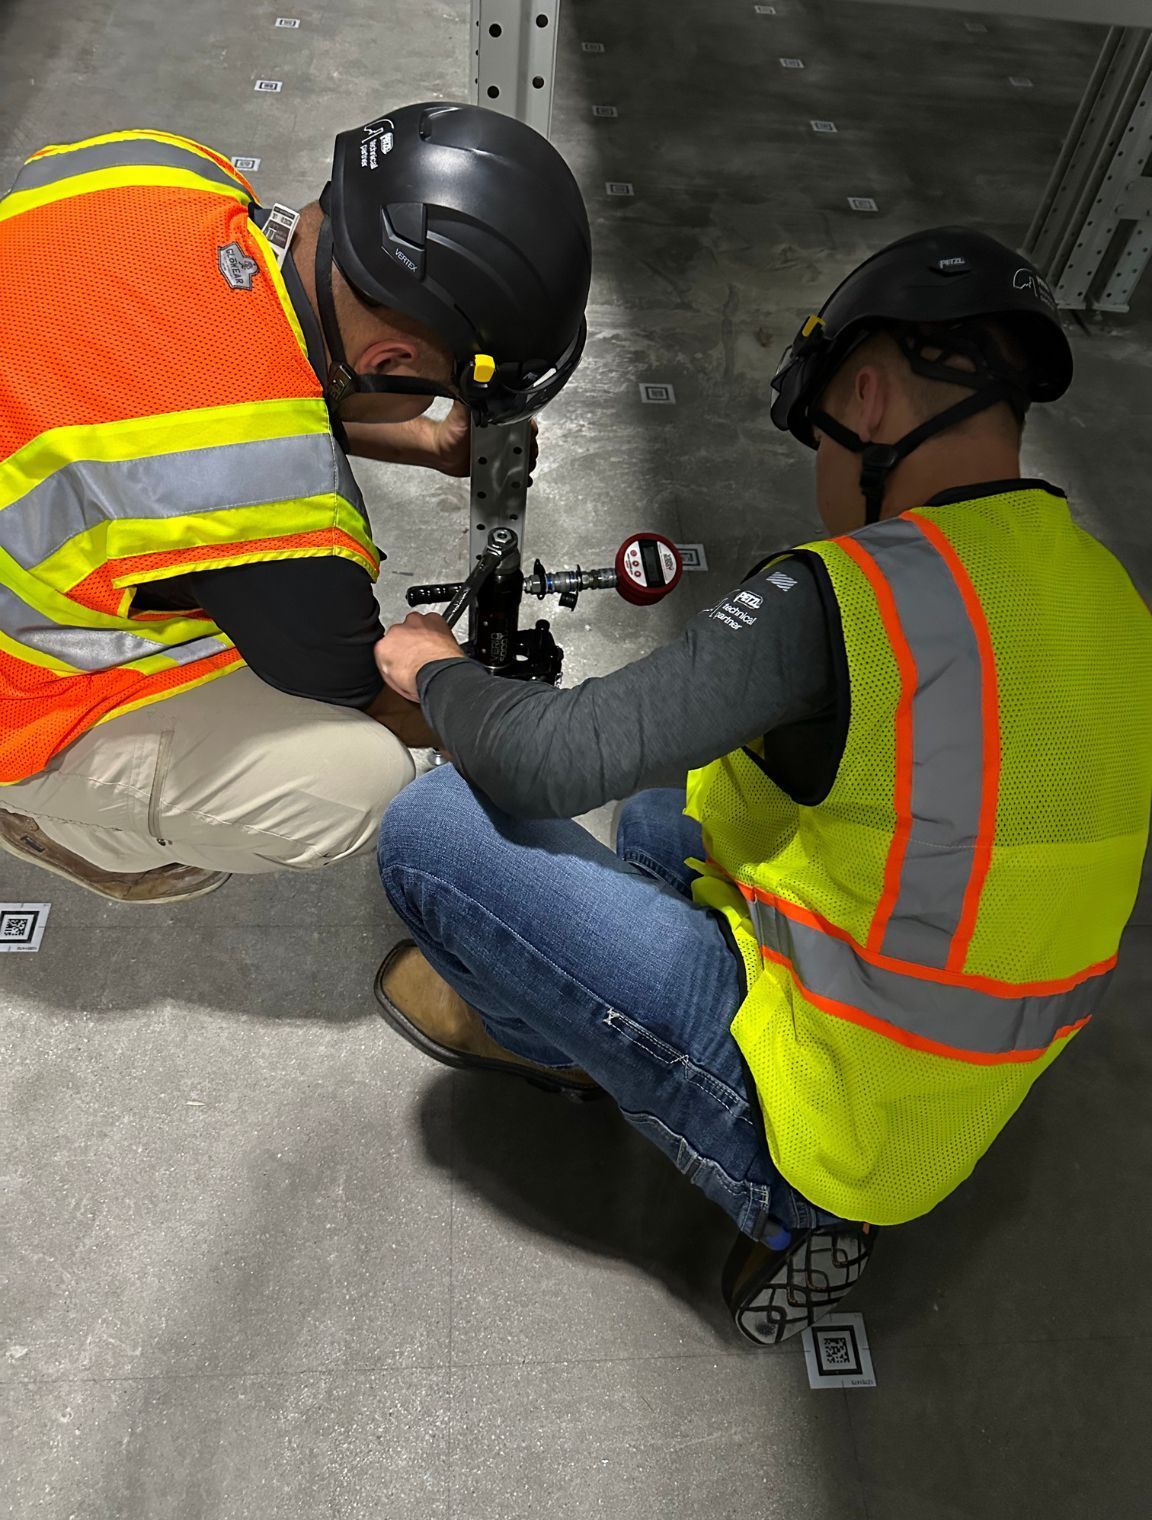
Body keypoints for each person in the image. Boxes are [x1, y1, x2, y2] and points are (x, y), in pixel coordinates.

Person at [372, 227, 1152, 1345]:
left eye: (821, 437)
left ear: (869, 400)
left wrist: (433, 672)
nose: (825, 478)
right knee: (672, 804)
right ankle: (753, 1123)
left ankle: (673, 1122)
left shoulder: (847, 595)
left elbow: (552, 755)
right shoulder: (1109, 594)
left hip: (819, 1117)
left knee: (434, 830)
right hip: (952, 1102)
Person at [0, 105, 590, 900]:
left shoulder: (163, 164)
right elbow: (373, 695)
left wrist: (423, 441)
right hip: (21, 686)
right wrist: (471, 694)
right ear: (390, 360)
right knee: (357, 776)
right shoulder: (288, 533)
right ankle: (48, 810)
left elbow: (179, 388)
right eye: (441, 396)